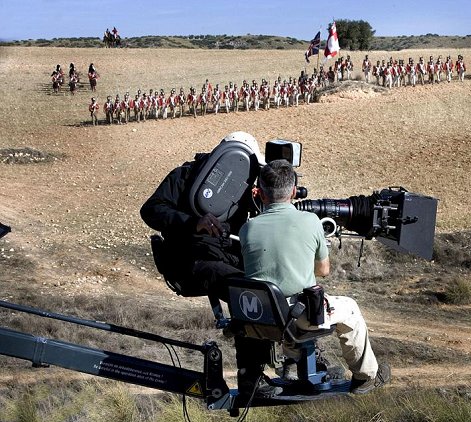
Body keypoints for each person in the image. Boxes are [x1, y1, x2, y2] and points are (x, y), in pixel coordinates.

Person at [239, 159, 391, 396]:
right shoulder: (310, 221)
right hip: (299, 317)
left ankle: (291, 364)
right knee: (349, 308)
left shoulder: (248, 228)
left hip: (259, 320)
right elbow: (323, 270)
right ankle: (366, 376)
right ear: (293, 191)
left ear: (261, 194)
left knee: (289, 299)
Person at [140, 131, 263, 298]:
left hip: (229, 257)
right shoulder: (184, 176)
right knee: (250, 292)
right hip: (190, 261)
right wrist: (193, 223)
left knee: (266, 278)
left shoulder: (243, 187)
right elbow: (151, 209)